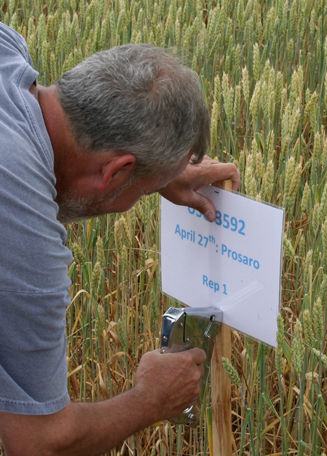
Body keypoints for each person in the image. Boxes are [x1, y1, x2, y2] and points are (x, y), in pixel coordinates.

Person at [0, 22, 239, 455]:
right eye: (143, 191)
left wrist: (156, 172)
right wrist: (148, 401)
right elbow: (39, 443)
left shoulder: (7, 46)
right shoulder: (28, 248)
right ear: (114, 172)